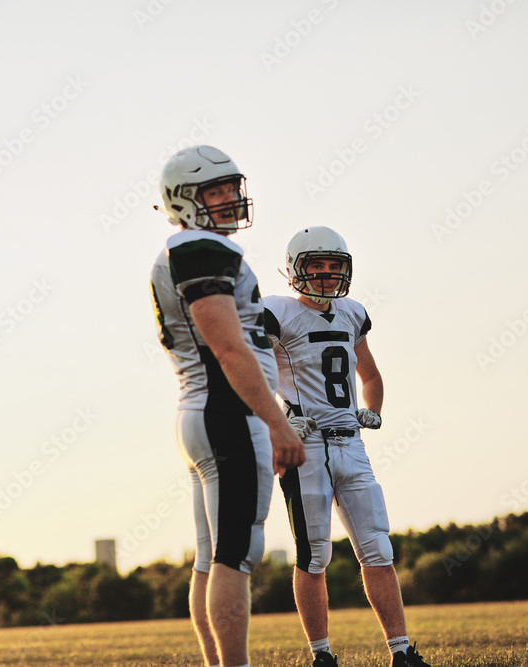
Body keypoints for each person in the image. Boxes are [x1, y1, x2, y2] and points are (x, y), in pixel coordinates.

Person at [149, 145, 306, 667]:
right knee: (237, 554)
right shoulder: (199, 248)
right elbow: (229, 346)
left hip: (201, 414)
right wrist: (277, 422)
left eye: (230, 188)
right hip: (227, 417)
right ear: (184, 200)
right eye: (213, 191)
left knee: (211, 558)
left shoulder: (188, 249)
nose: (229, 199)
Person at [261, 227, 431, 667]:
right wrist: (279, 418)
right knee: (314, 553)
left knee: (378, 547)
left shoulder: (353, 313)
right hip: (307, 445)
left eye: (334, 265)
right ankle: (322, 655)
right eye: (316, 265)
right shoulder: (276, 312)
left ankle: (402, 651)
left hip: (351, 443)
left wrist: (373, 409)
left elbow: (369, 375)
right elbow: (251, 365)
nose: (326, 273)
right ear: (295, 269)